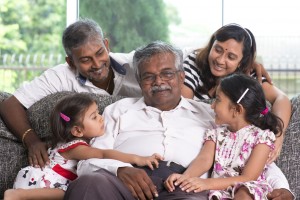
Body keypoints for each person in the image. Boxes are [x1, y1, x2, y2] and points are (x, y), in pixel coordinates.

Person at [63, 41, 294, 200]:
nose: (158, 82)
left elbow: (250, 155)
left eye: (167, 73)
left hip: (185, 187)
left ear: (181, 77)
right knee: (87, 184)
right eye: (148, 77)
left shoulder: (210, 114)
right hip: (124, 183)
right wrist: (120, 169)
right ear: (140, 81)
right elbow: (86, 161)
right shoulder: (118, 110)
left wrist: (282, 188)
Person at [0, 18, 142, 169]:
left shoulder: (137, 64)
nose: (96, 64)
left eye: (100, 53)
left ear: (106, 45)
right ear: (71, 62)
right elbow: (9, 105)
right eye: (86, 60)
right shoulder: (60, 76)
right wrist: (32, 141)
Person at [3, 93, 163, 200]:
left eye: (99, 113)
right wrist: (138, 158)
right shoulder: (77, 148)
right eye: (94, 117)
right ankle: (17, 195)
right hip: (42, 184)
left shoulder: (67, 143)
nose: (101, 119)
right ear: (77, 130)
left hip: (40, 180)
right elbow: (103, 155)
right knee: (68, 193)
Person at [182, 23, 291, 164]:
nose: (220, 60)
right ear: (211, 46)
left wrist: (279, 134)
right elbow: (183, 107)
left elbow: (281, 99)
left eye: (231, 57)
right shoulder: (193, 61)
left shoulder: (250, 75)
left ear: (241, 62)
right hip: (196, 143)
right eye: (218, 49)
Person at [165, 73, 284, 200]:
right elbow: (204, 159)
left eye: (218, 99)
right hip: (220, 190)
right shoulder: (216, 133)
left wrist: (207, 183)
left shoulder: (262, 138)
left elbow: (248, 178)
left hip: (249, 190)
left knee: (244, 192)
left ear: (237, 109)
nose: (212, 105)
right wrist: (185, 177)